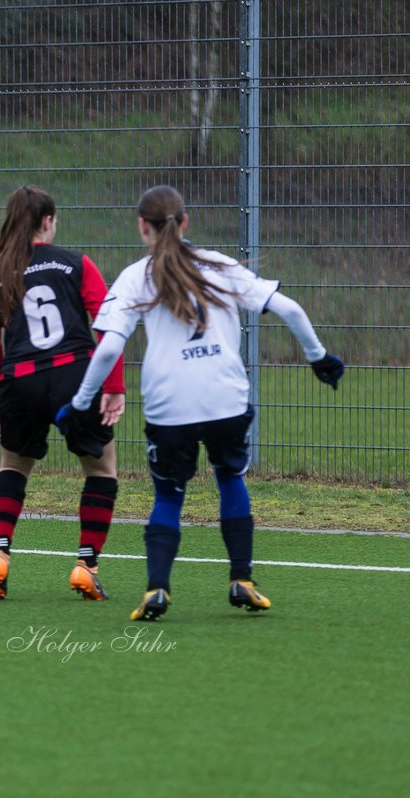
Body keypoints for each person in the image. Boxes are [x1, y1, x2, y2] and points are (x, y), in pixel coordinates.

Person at [58, 184, 344, 620]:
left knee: (169, 494)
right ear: (185, 222)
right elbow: (289, 308)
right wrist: (318, 357)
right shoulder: (221, 266)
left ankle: (157, 590)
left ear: (142, 227)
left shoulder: (136, 276)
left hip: (170, 404)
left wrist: (80, 404)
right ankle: (242, 580)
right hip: (225, 398)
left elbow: (111, 348)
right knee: (230, 478)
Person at [0, 185, 128, 601]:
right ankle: (85, 565)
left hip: (19, 380)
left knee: (13, 467)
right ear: (47, 222)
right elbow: (110, 325)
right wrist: (113, 387)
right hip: (76, 377)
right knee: (100, 470)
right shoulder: (77, 265)